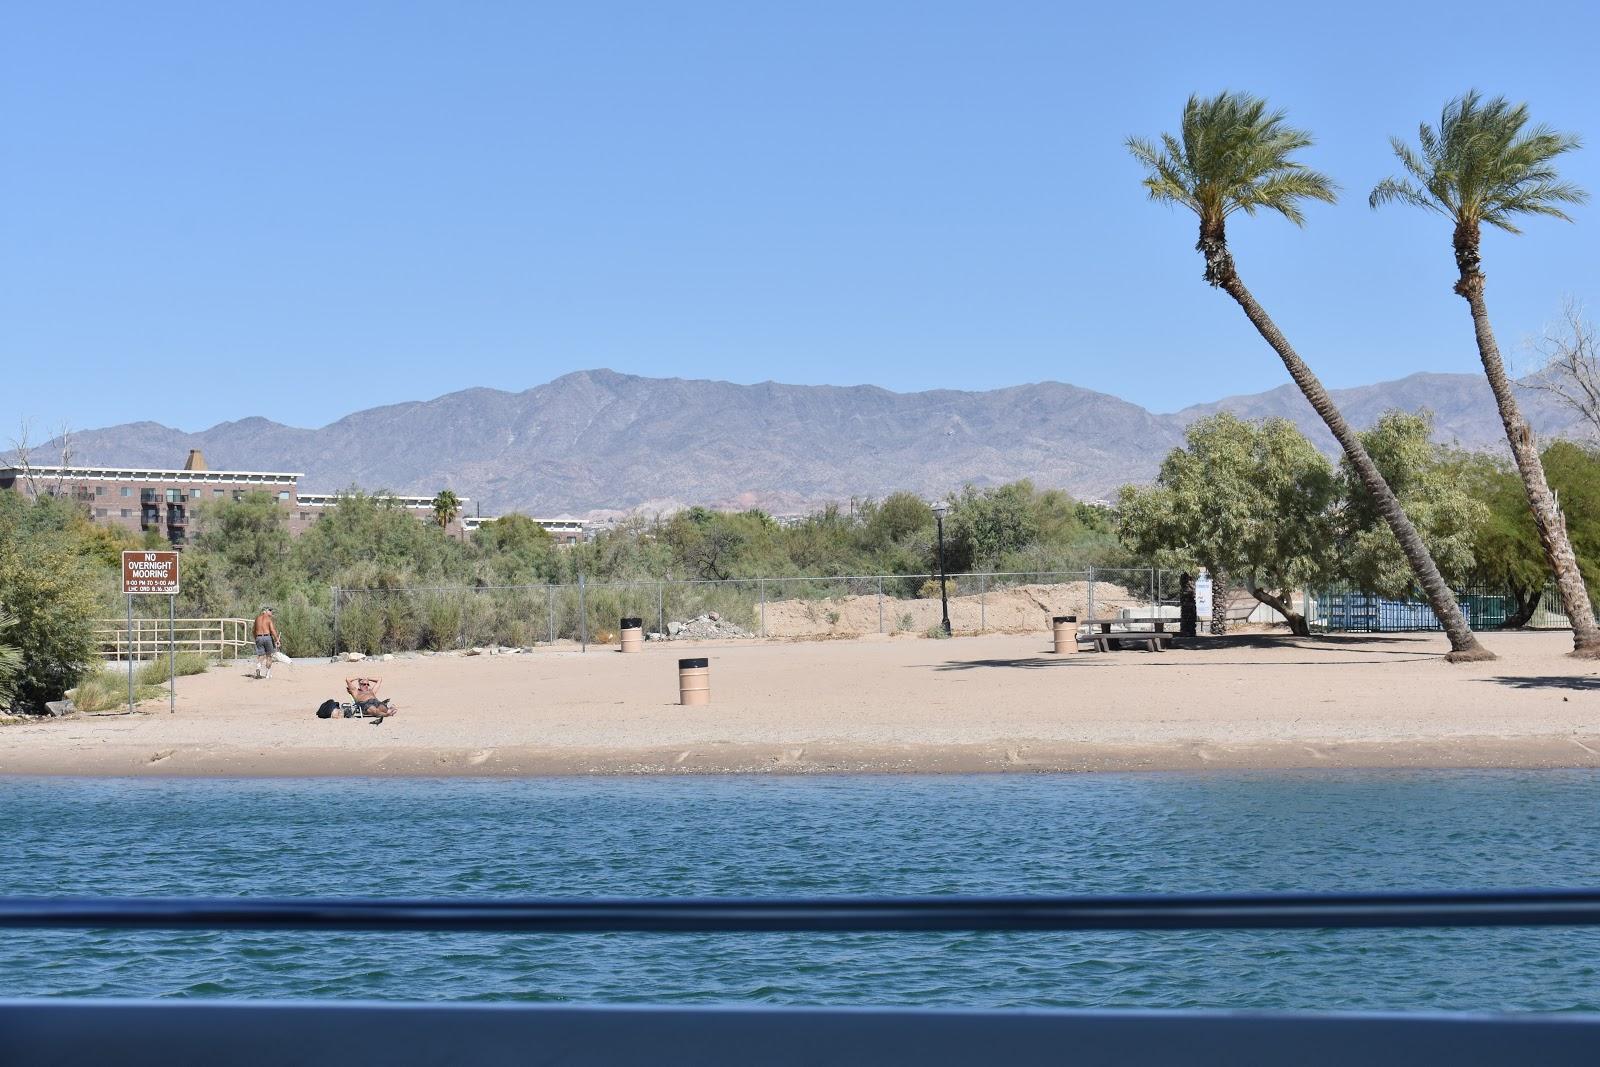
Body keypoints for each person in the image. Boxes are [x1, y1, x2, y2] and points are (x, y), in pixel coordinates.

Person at [253, 606, 281, 680]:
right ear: (266, 611)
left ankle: (258, 666)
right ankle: (267, 674)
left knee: (261, 655)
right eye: (270, 611)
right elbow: (272, 631)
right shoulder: (268, 619)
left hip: (258, 637)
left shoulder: (257, 618)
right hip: (267, 637)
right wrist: (277, 640)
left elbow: (254, 630)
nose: (271, 613)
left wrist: (256, 638)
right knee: (269, 656)